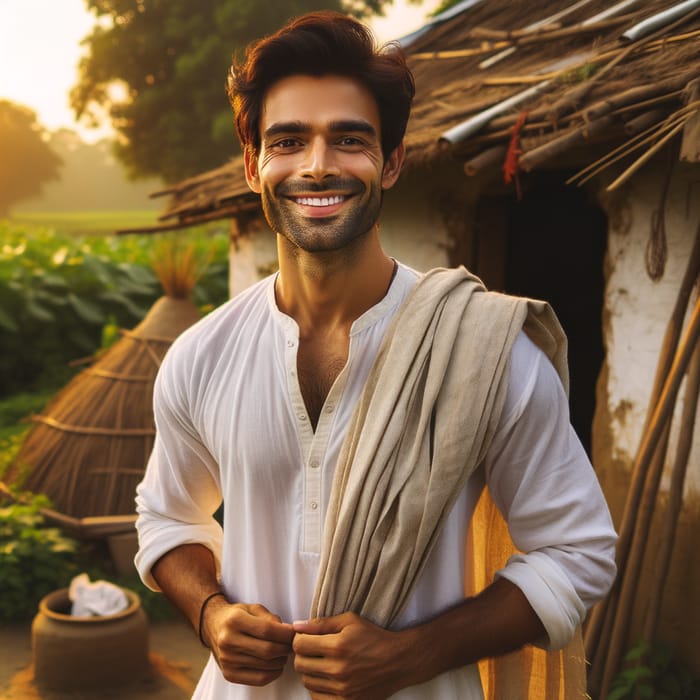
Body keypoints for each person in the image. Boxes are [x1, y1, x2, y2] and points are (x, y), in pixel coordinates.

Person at [135, 11, 617, 700]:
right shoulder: (202, 356)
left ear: (391, 162)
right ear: (253, 166)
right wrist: (211, 614)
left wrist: (415, 654)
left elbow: (578, 551)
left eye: (350, 139)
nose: (319, 164)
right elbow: (166, 516)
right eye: (289, 140)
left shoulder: (486, 351)